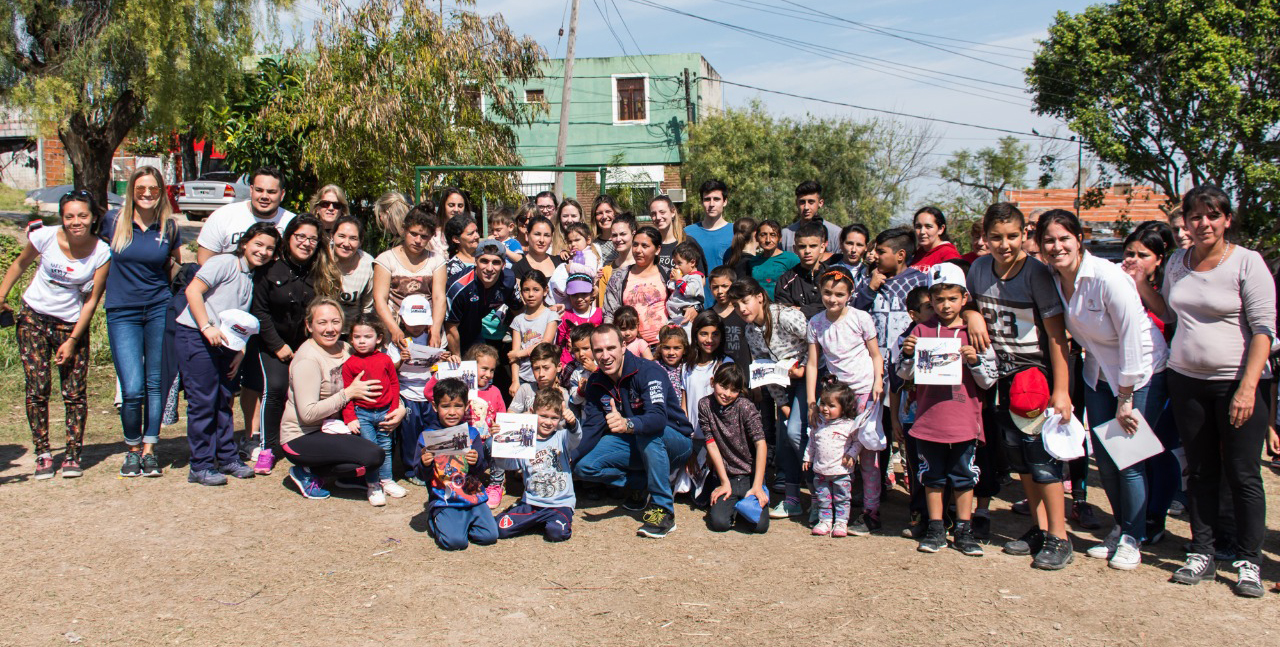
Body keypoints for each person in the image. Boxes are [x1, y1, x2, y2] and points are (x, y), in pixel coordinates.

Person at [1145, 186, 1274, 598]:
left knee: (1243, 475)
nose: (1203, 223)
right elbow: (1168, 311)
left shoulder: (1247, 263)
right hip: (1187, 381)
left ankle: (1247, 558)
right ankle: (1202, 549)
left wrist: (1248, 388)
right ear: (1184, 221)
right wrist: (1140, 284)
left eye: (1212, 215)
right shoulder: (1179, 263)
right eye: (1195, 216)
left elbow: (1264, 330)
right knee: (1198, 470)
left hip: (1238, 384)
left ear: (1226, 220)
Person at [1037, 209, 1170, 570]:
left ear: (1079, 239)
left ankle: (1134, 537)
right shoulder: (1053, 276)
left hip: (1140, 373)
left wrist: (1126, 398)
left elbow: (1131, 338)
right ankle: (1123, 526)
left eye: (1064, 238)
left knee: (1129, 458)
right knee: (1106, 461)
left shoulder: (1108, 277)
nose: (1056, 246)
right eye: (1049, 240)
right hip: (1097, 373)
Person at [966, 202, 1074, 571]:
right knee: (1021, 461)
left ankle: (1060, 536)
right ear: (985, 237)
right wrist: (971, 313)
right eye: (996, 237)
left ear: (1025, 234)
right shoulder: (979, 269)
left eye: (1012, 236)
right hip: (1002, 378)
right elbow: (965, 303)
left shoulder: (1037, 274)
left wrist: (1061, 389)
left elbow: (1058, 337)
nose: (1004, 244)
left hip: (1035, 377)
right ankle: (1039, 528)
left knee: (1043, 461)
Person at [0, 190, 111, 479]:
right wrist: (1, 295)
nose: (76, 222)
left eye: (82, 216)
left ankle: (73, 454)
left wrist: (73, 340)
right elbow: (19, 264)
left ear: (94, 217)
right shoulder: (45, 237)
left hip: (70, 325)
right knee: (37, 389)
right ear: (62, 218)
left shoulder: (102, 252)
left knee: (74, 393)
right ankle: (43, 453)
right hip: (33, 319)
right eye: (69, 216)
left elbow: (92, 300)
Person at [896, 263, 997, 555]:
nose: (945, 304)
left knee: (964, 476)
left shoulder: (974, 333)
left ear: (964, 298)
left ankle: (964, 530)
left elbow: (989, 381)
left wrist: (975, 361)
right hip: (929, 420)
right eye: (938, 299)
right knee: (933, 477)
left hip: (964, 420)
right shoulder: (921, 330)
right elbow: (905, 376)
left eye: (952, 298)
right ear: (931, 300)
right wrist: (907, 354)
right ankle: (936, 528)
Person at [175, 222, 279, 486]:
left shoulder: (251, 276)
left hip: (225, 344)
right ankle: (201, 465)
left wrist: (239, 352)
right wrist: (205, 326)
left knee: (224, 400)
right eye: (258, 244)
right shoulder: (223, 263)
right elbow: (192, 291)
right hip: (196, 336)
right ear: (245, 243)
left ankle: (228, 457)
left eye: (269, 248)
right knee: (202, 402)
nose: (263, 251)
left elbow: (239, 322)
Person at [98, 167, 182, 477]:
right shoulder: (113, 222)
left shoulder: (169, 227)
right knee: (132, 388)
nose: (147, 194)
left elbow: (175, 268)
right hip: (122, 311)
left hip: (158, 309)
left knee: (155, 384)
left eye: (153, 189)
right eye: (141, 188)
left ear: (161, 192)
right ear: (132, 189)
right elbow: (93, 259)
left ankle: (149, 449)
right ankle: (131, 448)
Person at [574, 324, 694, 538]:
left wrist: (628, 424)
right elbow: (591, 429)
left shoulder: (649, 371)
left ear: (623, 346)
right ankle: (642, 485)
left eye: (611, 348)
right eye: (599, 350)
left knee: (648, 432)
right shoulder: (596, 381)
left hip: (674, 441)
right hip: (635, 441)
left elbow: (657, 419)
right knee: (584, 468)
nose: (605, 356)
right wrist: (567, 459)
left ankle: (662, 510)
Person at [251, 215, 342, 474]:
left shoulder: (322, 271)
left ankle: (310, 440)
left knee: (314, 394)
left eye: (312, 238)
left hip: (308, 348)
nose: (306, 243)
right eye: (300, 236)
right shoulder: (270, 270)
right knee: (277, 388)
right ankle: (268, 448)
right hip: (274, 345)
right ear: (289, 237)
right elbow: (260, 311)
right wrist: (277, 345)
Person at [278, 299, 392, 499]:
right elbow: (308, 414)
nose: (330, 329)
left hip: (338, 426)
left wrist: (397, 408)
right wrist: (348, 393)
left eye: (335, 322)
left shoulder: (346, 348)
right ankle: (308, 472)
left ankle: (348, 477)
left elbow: (380, 379)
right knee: (373, 455)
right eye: (322, 323)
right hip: (304, 435)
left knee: (385, 431)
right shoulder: (308, 359)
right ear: (309, 325)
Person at [805, 269, 885, 534]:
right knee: (830, 450)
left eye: (839, 294)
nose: (832, 299)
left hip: (864, 393)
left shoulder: (861, 318)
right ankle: (826, 508)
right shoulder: (816, 323)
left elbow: (875, 355)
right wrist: (811, 401)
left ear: (850, 295)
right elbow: (813, 364)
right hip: (836, 396)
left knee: (868, 454)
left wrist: (878, 382)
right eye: (827, 292)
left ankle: (871, 512)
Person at [729, 278, 809, 518]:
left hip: (810, 380)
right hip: (785, 388)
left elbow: (817, 342)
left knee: (796, 432)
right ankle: (792, 499)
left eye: (745, 301)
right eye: (736, 305)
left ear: (760, 297)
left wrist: (804, 368)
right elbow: (766, 370)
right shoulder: (750, 330)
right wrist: (782, 404)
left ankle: (821, 491)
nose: (742, 309)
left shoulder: (785, 316)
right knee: (785, 437)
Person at [419, 378, 499, 551]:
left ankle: (460, 524)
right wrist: (424, 464)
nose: (452, 412)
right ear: (435, 406)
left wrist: (476, 460)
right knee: (456, 543)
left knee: (489, 536)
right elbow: (420, 475)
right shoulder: (428, 437)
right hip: (445, 500)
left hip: (473, 497)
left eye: (458, 406)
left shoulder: (471, 433)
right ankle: (437, 520)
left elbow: (479, 469)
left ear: (467, 406)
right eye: (445, 406)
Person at [495, 388, 583, 542]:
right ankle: (532, 519)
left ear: (560, 418)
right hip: (532, 503)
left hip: (559, 505)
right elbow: (506, 464)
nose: (548, 422)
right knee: (500, 528)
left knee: (557, 533)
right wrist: (499, 442)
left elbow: (576, 437)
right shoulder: (524, 441)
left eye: (554, 418)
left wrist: (573, 422)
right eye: (543, 416)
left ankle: (544, 522)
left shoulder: (562, 437)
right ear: (531, 412)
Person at [854, 227, 929, 395]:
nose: (875, 256)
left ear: (900, 255)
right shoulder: (868, 281)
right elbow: (851, 316)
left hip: (907, 367)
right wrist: (870, 289)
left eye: (881, 252)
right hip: (873, 370)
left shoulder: (920, 282)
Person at [341, 314, 404, 506]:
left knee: (385, 446)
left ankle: (387, 480)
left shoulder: (385, 360)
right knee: (370, 450)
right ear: (351, 339)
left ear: (378, 338)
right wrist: (350, 417)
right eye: (357, 337)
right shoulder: (349, 364)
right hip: (363, 413)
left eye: (367, 336)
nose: (361, 341)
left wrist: (394, 409)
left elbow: (394, 384)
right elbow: (346, 394)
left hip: (385, 411)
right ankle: (373, 485)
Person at [700, 363, 770, 533]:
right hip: (726, 474)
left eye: (733, 390)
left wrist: (758, 485)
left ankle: (743, 504)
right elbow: (712, 444)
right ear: (712, 382)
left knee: (759, 526)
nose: (727, 394)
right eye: (723, 386)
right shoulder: (705, 405)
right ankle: (732, 504)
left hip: (749, 476)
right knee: (719, 523)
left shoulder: (745, 407)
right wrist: (723, 482)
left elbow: (761, 444)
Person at [372, 204, 447, 347]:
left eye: (424, 236)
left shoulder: (436, 261)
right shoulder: (386, 259)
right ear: (404, 229)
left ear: (431, 237)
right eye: (413, 234)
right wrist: (393, 328)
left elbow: (439, 297)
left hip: (428, 333)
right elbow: (379, 299)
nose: (418, 240)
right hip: (395, 333)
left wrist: (435, 329)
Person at [195, 167, 295, 263]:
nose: (264, 196)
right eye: (259, 190)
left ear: (282, 194)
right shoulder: (223, 215)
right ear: (251, 190)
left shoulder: (293, 224)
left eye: (271, 192)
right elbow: (204, 260)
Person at [804, 382, 865, 537]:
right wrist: (807, 458)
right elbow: (812, 441)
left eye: (831, 405)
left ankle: (841, 522)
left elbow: (858, 442)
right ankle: (825, 521)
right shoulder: (818, 423)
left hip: (841, 471)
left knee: (842, 498)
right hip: (821, 470)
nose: (825, 408)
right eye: (823, 403)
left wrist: (851, 454)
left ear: (843, 408)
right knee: (823, 498)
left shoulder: (849, 425)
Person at [443, 238, 521, 360]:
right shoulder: (459, 286)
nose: (489, 268)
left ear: (504, 265)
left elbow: (518, 312)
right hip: (451, 332)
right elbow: (451, 328)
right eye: (484, 261)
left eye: (496, 262)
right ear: (475, 262)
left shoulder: (509, 280)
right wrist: (457, 359)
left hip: (475, 328)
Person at [604, 227, 677, 348]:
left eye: (645, 246)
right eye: (635, 245)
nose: (638, 250)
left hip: (663, 347)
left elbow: (682, 302)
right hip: (630, 347)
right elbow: (610, 314)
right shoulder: (618, 277)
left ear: (658, 249)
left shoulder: (669, 275)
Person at [684, 180, 734, 306]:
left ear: (725, 201)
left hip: (729, 306)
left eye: (716, 199)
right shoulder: (687, 233)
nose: (711, 204)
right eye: (707, 199)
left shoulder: (735, 232)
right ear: (702, 202)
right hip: (695, 305)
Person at [509, 270, 559, 396]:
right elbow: (513, 358)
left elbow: (545, 344)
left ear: (545, 290)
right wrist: (515, 381)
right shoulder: (518, 320)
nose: (531, 294)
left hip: (546, 376)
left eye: (536, 290)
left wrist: (520, 353)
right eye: (526, 290)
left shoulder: (551, 316)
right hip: (523, 377)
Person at [775, 220, 832, 319]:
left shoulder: (833, 276)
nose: (807, 251)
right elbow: (784, 315)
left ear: (822, 247)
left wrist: (801, 309)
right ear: (795, 249)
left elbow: (836, 307)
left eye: (813, 246)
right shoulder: (786, 281)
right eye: (802, 247)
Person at [332, 216, 375, 331]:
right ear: (332, 236)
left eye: (353, 238)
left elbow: (367, 307)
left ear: (360, 242)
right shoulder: (323, 258)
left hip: (351, 332)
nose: (346, 243)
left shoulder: (367, 264)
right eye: (341, 236)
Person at [555, 269, 603, 365]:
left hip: (595, 363)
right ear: (569, 296)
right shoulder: (565, 316)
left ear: (592, 293)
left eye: (584, 294)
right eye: (574, 295)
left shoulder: (601, 314)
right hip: (569, 363)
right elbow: (559, 343)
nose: (579, 299)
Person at [743, 220, 799, 300]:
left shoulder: (791, 259)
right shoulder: (753, 261)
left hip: (783, 307)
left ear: (780, 238)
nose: (768, 240)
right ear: (756, 237)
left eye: (773, 235)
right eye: (763, 235)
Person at [780, 180, 841, 253]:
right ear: (796, 203)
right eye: (802, 202)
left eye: (811, 202)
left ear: (820, 203)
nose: (806, 207)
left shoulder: (836, 234)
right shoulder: (785, 235)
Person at [548, 223, 602, 305]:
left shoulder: (589, 255)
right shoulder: (574, 254)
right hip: (573, 293)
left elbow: (591, 271)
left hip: (585, 295)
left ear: (588, 240)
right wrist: (565, 253)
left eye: (577, 240)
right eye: (570, 241)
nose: (573, 244)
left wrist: (572, 267)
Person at [512, 215, 564, 285]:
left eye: (546, 235)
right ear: (527, 236)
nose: (542, 240)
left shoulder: (560, 263)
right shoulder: (518, 268)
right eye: (537, 234)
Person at [909, 206, 961, 272]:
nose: (922, 232)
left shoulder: (949, 254)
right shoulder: (918, 253)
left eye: (928, 227)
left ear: (941, 229)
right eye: (918, 227)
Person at [597, 213, 635, 302]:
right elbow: (603, 307)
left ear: (633, 233)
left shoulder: (644, 266)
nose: (618, 239)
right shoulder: (606, 272)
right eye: (614, 235)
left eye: (623, 234)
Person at [666, 242, 705, 327]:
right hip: (676, 315)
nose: (676, 266)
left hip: (687, 316)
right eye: (674, 263)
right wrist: (672, 280)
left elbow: (689, 291)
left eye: (679, 263)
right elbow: (672, 289)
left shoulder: (696, 277)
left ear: (692, 262)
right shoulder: (684, 276)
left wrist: (679, 280)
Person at [649, 195, 685, 274]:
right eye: (653, 214)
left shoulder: (686, 242)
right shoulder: (650, 245)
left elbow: (699, 278)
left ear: (672, 212)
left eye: (662, 212)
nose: (658, 217)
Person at [656, 326, 689, 410]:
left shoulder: (687, 368)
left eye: (676, 348)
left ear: (684, 349)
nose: (671, 352)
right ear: (660, 348)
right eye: (666, 348)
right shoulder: (655, 368)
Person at [444, 213, 480, 286]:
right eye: (471, 234)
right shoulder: (453, 267)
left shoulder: (485, 255)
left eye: (476, 231)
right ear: (456, 239)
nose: (477, 236)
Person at [371, 191, 410, 255]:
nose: (380, 219)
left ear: (387, 214)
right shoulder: (410, 236)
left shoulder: (402, 242)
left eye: (380, 216)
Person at [591, 195, 618, 264]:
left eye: (608, 211)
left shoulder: (626, 241)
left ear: (615, 213)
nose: (604, 216)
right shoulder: (591, 244)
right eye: (599, 213)